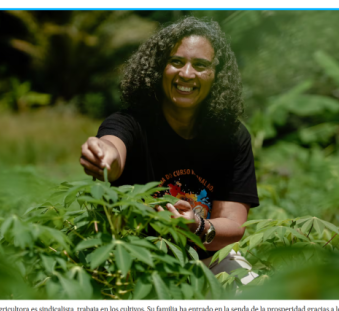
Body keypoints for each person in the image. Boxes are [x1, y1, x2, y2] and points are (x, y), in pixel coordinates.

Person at [79, 16, 259, 283]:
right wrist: (104, 156)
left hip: (210, 259)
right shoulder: (130, 123)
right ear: (158, 67)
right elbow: (113, 150)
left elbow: (233, 224)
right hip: (136, 258)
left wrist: (197, 227)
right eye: (176, 62)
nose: (186, 74)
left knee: (260, 296)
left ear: (215, 75)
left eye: (200, 65)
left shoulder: (232, 136)